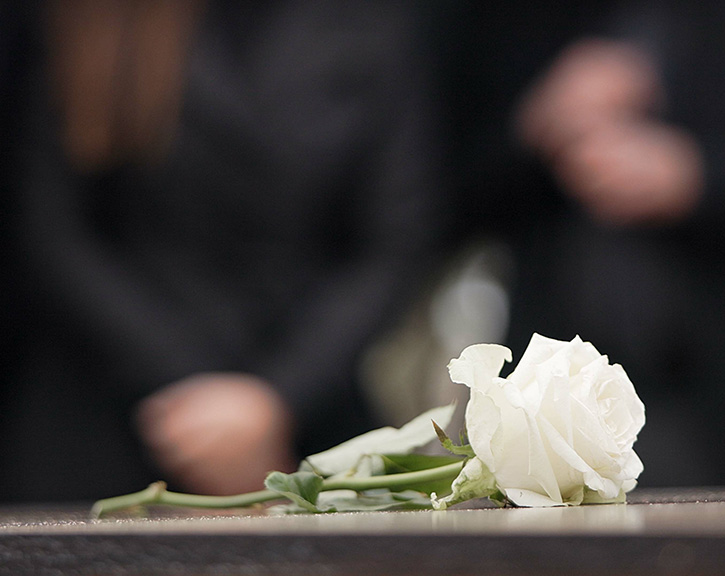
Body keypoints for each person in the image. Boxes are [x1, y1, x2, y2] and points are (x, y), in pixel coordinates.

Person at [2, 0, 445, 502]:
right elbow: (52, 232)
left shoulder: (371, 24)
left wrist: (270, 400)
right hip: (101, 403)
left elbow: (392, 246)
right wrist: (198, 398)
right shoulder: (90, 16)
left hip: (306, 401)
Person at [434, 1, 725, 486]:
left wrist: (698, 177)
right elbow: (431, 195)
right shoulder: (516, 20)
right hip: (547, 386)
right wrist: (536, 118)